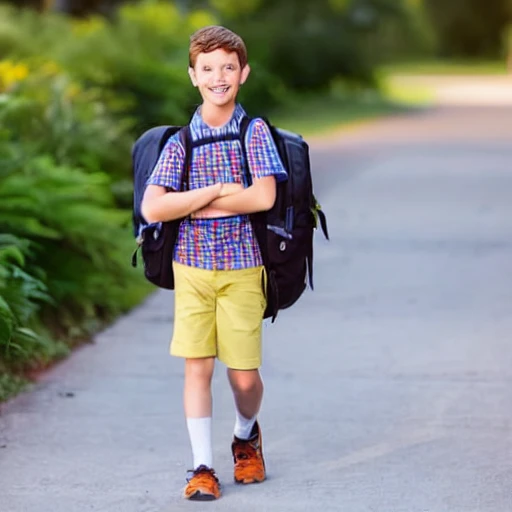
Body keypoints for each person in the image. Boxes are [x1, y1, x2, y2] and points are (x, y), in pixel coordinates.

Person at [140, 25, 287, 501]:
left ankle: (246, 434)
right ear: (193, 76)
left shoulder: (254, 131)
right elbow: (153, 207)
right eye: (207, 68)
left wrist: (197, 205)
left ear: (243, 73)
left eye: (228, 67)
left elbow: (263, 197)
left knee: (244, 376)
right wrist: (218, 192)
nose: (218, 76)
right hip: (193, 270)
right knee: (197, 367)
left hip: (244, 268)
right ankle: (201, 467)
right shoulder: (183, 140)